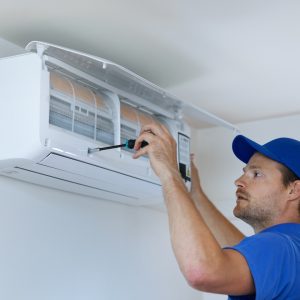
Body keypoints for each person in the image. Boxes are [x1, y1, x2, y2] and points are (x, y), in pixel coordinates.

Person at [132, 123, 300, 299]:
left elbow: (201, 271)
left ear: (294, 190)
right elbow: (249, 256)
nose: (238, 181)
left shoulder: (278, 247)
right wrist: (195, 194)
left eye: (256, 174)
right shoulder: (289, 250)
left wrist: (169, 173)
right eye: (244, 172)